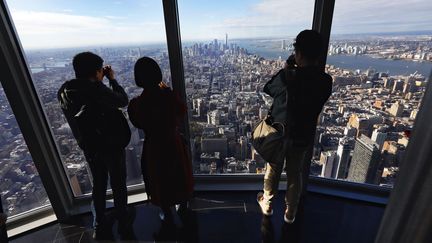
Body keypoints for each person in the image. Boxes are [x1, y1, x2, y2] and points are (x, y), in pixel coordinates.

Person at [257, 30, 332, 223]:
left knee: (273, 169)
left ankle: (267, 205)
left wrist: (287, 69)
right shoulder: (325, 81)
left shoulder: (287, 77)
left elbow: (268, 88)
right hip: (302, 135)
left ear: (297, 53)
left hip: (279, 135)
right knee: (294, 173)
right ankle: (290, 213)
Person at [57, 52, 132, 240]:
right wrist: (111, 80)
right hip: (111, 144)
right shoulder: (96, 89)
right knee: (118, 183)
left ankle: (98, 221)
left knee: (98, 184)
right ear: (97, 72)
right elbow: (122, 101)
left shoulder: (64, 92)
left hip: (89, 146)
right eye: (101, 70)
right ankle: (123, 218)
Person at [127, 57, 193, 222]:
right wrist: (168, 91)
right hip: (173, 141)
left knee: (159, 176)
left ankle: (166, 209)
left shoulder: (137, 104)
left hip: (154, 145)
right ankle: (183, 204)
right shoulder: (169, 96)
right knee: (178, 172)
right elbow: (181, 111)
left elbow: (137, 122)